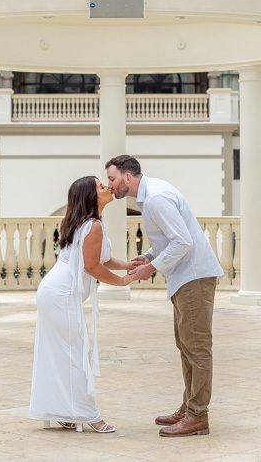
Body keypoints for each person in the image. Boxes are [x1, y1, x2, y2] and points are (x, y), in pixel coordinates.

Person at [104, 155, 224, 438]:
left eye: (112, 178)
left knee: (196, 347)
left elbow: (183, 241)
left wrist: (151, 267)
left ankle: (197, 415)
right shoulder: (151, 196)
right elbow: (171, 239)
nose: (110, 185)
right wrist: (148, 256)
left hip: (194, 276)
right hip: (186, 277)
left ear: (128, 177)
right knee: (186, 345)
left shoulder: (156, 198)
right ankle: (189, 407)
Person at [28, 176, 137, 433]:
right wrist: (122, 282)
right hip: (61, 295)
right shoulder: (93, 226)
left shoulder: (87, 224)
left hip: (53, 291)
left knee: (61, 354)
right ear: (91, 196)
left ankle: (65, 410)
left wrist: (127, 265)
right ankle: (90, 415)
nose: (108, 187)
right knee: (76, 354)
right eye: (101, 186)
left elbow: (102, 257)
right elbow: (92, 265)